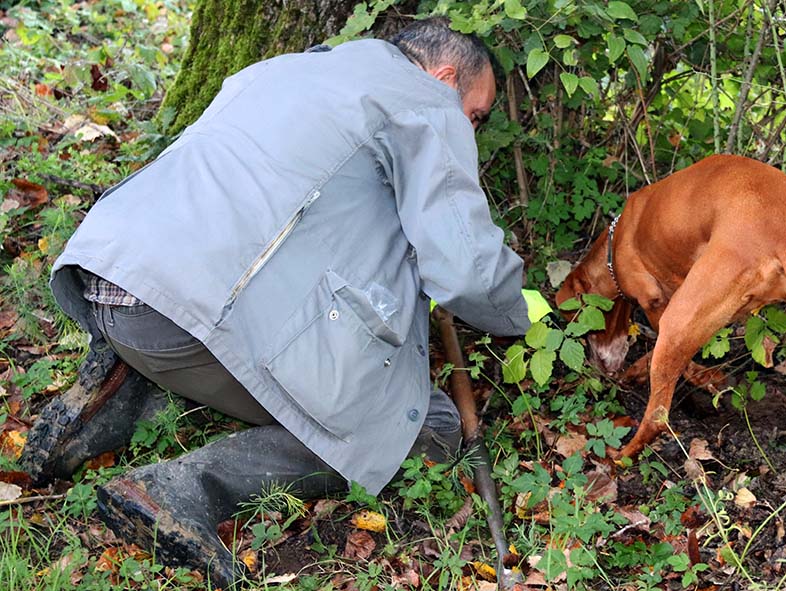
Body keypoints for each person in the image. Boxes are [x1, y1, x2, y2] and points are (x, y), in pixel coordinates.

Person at [21, 17, 530, 587]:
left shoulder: (286, 68)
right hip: (196, 315)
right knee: (420, 425)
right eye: (477, 116)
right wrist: (526, 319)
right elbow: (466, 267)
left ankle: (132, 388)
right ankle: (188, 486)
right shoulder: (428, 102)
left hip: (113, 278)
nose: (472, 131)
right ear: (444, 76)